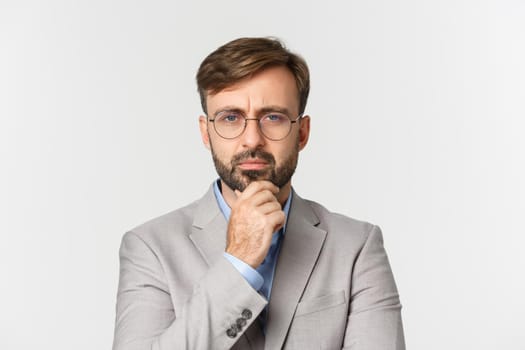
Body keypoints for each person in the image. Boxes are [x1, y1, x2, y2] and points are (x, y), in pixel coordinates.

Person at [112, 37, 405, 350]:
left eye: (273, 117)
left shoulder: (356, 247)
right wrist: (237, 262)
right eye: (230, 118)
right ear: (205, 133)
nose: (252, 139)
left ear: (302, 132)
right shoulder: (150, 248)